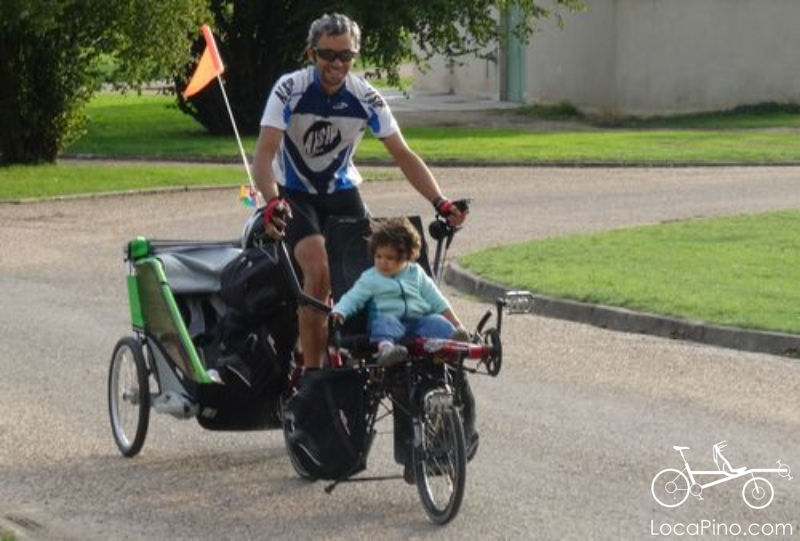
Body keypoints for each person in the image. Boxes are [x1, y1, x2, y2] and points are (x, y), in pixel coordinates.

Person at [251, 12, 467, 371]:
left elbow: (403, 154)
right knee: (318, 270)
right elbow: (264, 155)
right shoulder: (290, 88)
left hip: (342, 191)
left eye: (346, 56)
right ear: (311, 54)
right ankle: (314, 374)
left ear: (355, 56)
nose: (337, 64)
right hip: (294, 194)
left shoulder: (364, 95)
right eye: (328, 55)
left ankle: (372, 350)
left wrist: (440, 201)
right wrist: (272, 201)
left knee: (378, 268)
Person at [331, 217, 470, 366]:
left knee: (437, 321)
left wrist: (456, 323)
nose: (383, 262)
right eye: (378, 256)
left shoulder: (415, 273)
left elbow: (436, 298)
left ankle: (454, 339)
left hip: (417, 322)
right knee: (385, 322)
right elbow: (353, 297)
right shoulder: (371, 278)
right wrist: (340, 311)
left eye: (390, 258)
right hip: (389, 320)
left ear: (406, 256)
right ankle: (387, 350)